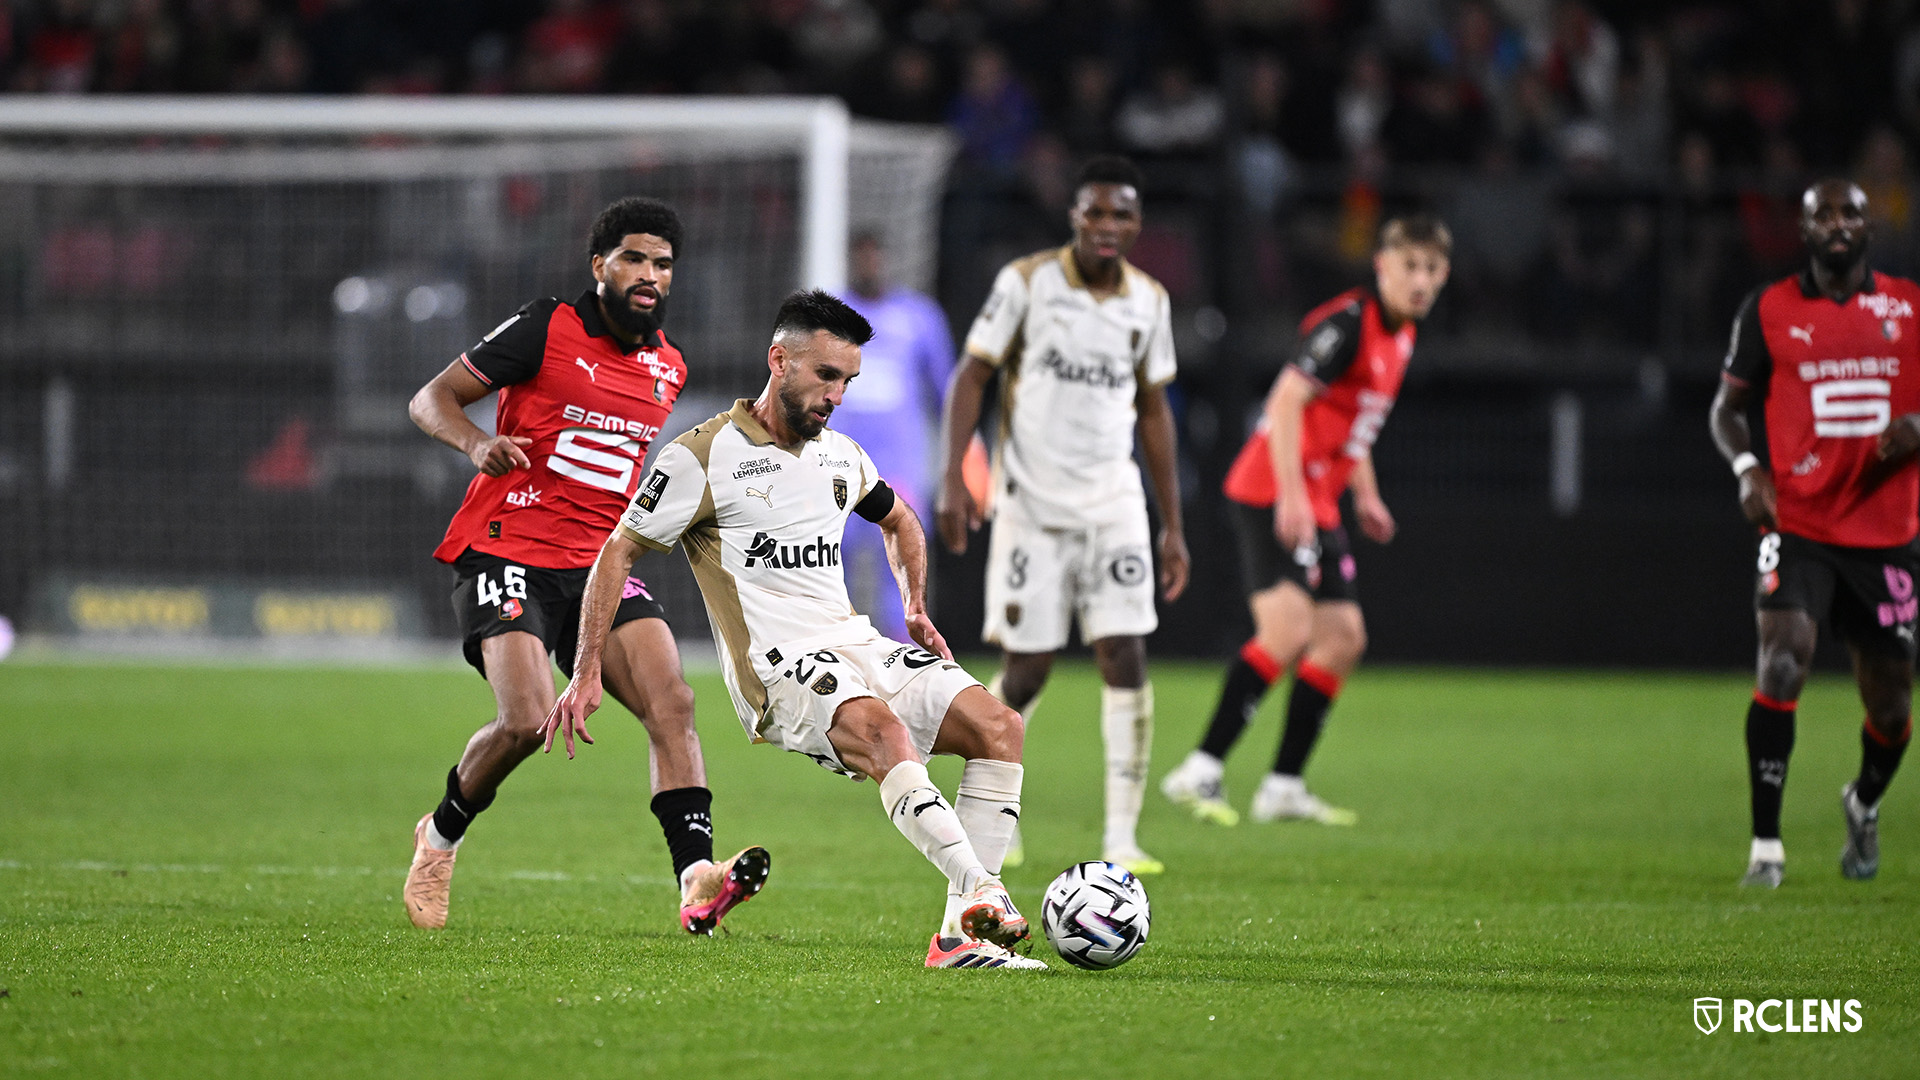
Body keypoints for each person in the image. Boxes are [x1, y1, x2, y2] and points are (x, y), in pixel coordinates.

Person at [546, 290, 1046, 970]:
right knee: (885, 735)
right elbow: (617, 552)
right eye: (826, 376)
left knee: (999, 728)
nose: (838, 395)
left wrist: (916, 603)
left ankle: (961, 938)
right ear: (779, 361)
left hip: (857, 642)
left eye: (848, 381)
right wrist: (584, 670)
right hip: (779, 669)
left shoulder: (839, 455)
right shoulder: (702, 457)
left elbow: (898, 519)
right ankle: (982, 891)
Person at [401, 197, 767, 935]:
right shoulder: (546, 327)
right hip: (505, 547)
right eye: (634, 258)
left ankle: (696, 874)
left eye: (663, 264)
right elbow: (429, 398)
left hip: (596, 566)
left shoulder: (668, 366)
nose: (650, 275)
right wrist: (476, 445)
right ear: (599, 265)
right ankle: (440, 835)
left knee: (673, 701)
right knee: (527, 720)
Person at [937, 154, 1189, 876]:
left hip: (1115, 505)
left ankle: (1122, 838)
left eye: (1122, 215)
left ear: (1138, 225)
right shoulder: (1027, 284)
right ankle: (988, 802)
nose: (1108, 226)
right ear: (1074, 216)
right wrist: (954, 477)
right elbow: (973, 374)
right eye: (1095, 212)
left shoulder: (1150, 301)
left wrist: (1172, 524)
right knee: (1029, 669)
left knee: (1126, 653)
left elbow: (1153, 410)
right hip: (1032, 506)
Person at [1161, 216, 1452, 828]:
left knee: (1343, 637)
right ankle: (1201, 768)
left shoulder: (1402, 335)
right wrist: (1293, 495)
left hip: (1317, 497)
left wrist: (1364, 495)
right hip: (1272, 491)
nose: (1420, 280)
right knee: (1289, 630)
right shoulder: (1347, 324)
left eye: (1431, 269)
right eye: (1410, 266)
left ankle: (1283, 786)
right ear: (1382, 265)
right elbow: (1286, 400)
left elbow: (1353, 424)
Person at [1709, 179, 1920, 888]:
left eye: (1850, 212)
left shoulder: (1909, 308)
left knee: (1891, 707)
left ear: (1869, 226)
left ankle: (1863, 802)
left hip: (1887, 531)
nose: (1838, 224)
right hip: (1797, 520)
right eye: (1823, 214)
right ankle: (1765, 848)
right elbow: (1727, 410)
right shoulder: (1768, 309)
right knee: (1781, 659)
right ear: (1802, 230)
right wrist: (1746, 469)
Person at [835, 231, 957, 639]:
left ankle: (906, 659)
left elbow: (947, 392)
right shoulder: (831, 316)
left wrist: (961, 457)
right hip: (839, 466)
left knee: (903, 568)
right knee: (833, 567)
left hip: (899, 466)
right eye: (861, 255)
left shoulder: (919, 316)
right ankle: (839, 654)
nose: (869, 264)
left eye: (875, 255)